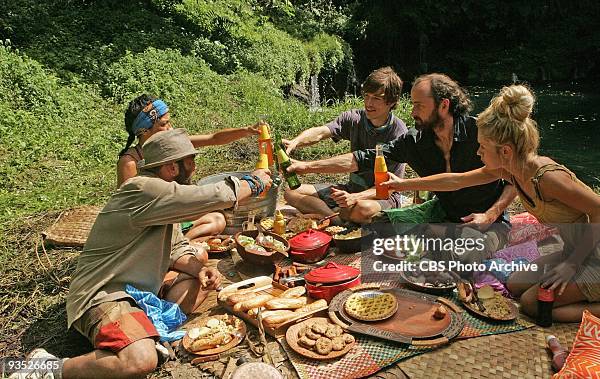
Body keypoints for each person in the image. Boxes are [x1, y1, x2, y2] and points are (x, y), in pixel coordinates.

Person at [17, 129, 271, 379]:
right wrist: (254, 182)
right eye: (190, 161)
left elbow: (174, 248)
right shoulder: (143, 190)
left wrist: (199, 269)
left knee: (198, 280)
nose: (194, 168)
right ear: (172, 167)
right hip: (107, 294)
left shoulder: (162, 196)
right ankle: (46, 368)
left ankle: (147, 331)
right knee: (141, 359)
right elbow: (209, 196)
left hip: (140, 292)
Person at [382, 84, 600, 322]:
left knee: (533, 305)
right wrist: (401, 185)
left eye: (482, 147)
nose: (478, 152)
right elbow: (456, 181)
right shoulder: (510, 170)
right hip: (574, 249)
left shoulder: (547, 178)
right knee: (515, 283)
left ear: (505, 151)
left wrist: (572, 266)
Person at [288, 73, 517, 264]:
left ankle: (437, 239)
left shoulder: (481, 133)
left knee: (468, 253)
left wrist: (491, 213)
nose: (412, 112)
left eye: (419, 105)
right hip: (442, 213)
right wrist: (306, 167)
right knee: (378, 226)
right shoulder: (414, 141)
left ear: (444, 105)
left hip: (490, 221)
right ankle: (436, 237)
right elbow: (363, 158)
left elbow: (514, 178)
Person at [117, 94, 261, 239]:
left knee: (218, 219)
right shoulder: (129, 162)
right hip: (151, 224)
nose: (170, 128)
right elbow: (129, 210)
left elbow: (213, 138)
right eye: (163, 124)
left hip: (175, 212)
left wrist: (246, 131)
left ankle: (183, 242)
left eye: (169, 123)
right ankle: (175, 247)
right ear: (144, 131)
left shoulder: (173, 144)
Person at [283, 67, 408, 224]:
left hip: (382, 194)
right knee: (291, 192)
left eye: (377, 98)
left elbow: (384, 183)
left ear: (392, 102)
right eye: (367, 96)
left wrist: (355, 197)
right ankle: (335, 218)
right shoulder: (354, 118)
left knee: (364, 209)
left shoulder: (399, 132)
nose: (369, 103)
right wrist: (296, 141)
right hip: (351, 189)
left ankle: (336, 214)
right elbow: (322, 131)